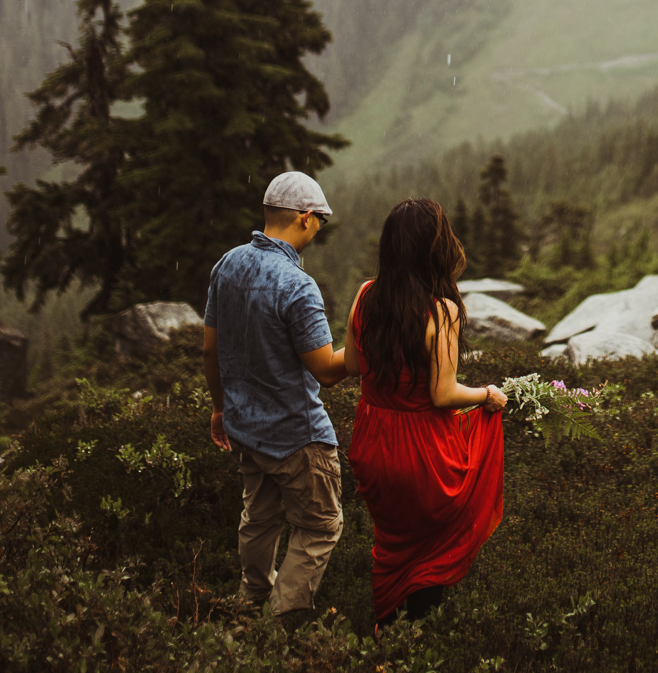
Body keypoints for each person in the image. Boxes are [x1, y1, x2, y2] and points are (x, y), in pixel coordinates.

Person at [343, 197, 506, 628]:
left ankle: (385, 632)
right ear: (434, 248)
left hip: (372, 443)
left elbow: (355, 367)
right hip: (421, 452)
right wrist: (486, 394)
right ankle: (417, 638)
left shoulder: (365, 296)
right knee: (431, 548)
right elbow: (443, 394)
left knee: (391, 544)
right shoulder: (442, 310)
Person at [202, 171, 348, 632]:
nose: (319, 230)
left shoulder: (227, 265)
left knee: (260, 518)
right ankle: (278, 623)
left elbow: (210, 348)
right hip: (297, 436)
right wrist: (368, 348)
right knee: (321, 526)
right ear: (305, 218)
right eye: (319, 221)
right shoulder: (297, 285)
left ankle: (249, 601)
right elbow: (326, 369)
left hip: (246, 428)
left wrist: (220, 407)